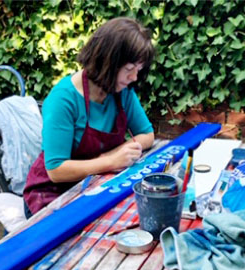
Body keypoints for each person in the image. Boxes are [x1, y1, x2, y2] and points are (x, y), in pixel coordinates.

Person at [24, 17, 155, 215]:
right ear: (107, 61)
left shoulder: (123, 91)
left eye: (138, 70)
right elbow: (56, 170)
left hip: (96, 183)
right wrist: (110, 161)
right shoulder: (63, 99)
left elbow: (147, 135)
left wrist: (114, 154)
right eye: (129, 69)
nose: (134, 77)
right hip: (52, 194)